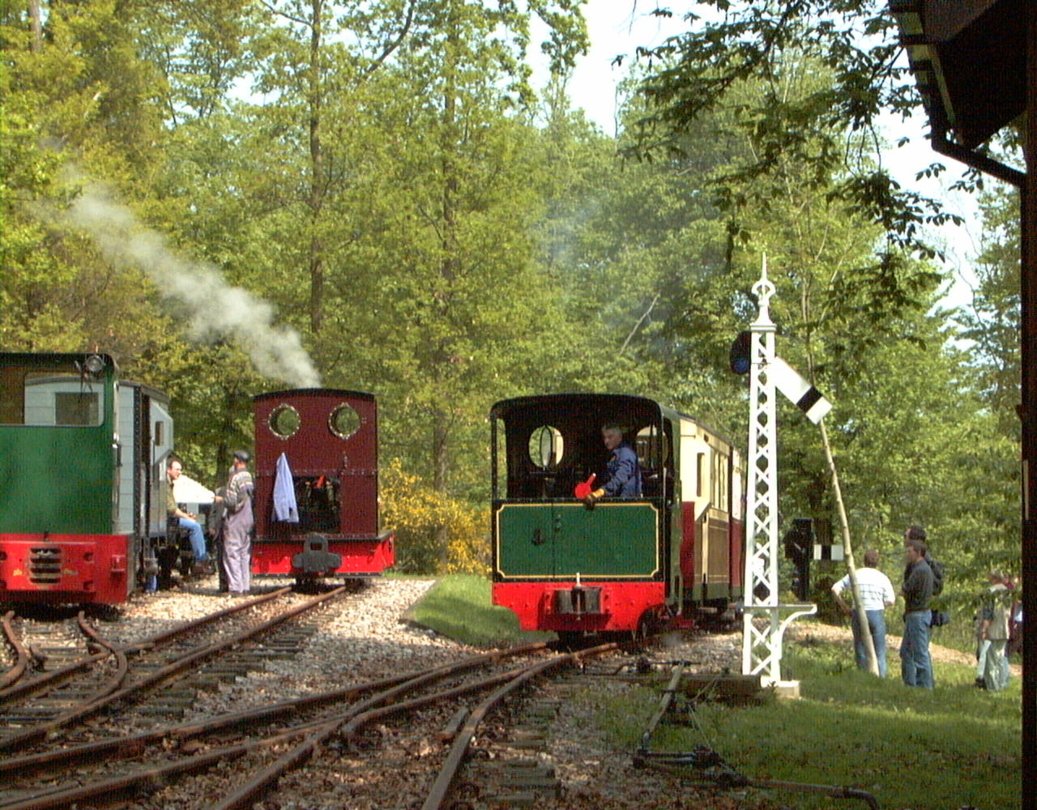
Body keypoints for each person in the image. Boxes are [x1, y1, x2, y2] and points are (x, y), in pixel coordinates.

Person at [831, 549, 895, 677]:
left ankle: (862, 677)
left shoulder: (855, 574)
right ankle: (881, 678)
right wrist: (879, 604)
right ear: (877, 562)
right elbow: (891, 600)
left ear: (864, 561)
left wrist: (844, 606)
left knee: (860, 650)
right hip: (876, 613)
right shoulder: (882, 577)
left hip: (858, 613)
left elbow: (835, 588)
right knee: (879, 651)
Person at [215, 450, 254, 596]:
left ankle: (235, 587)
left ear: (237, 461)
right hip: (248, 518)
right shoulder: (249, 477)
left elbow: (231, 502)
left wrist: (220, 500)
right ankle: (245, 586)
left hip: (236, 519)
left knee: (232, 552)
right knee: (245, 553)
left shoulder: (235, 478)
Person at [166, 458, 213, 577]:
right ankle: (201, 560)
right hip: (168, 520)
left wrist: (186, 516)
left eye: (181, 470)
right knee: (195, 527)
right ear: (168, 470)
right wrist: (186, 516)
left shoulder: (170, 484)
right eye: (177, 469)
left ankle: (201, 559)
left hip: (170, 518)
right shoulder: (165, 485)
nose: (179, 472)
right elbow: (171, 509)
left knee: (194, 524)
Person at [900, 529, 935, 688]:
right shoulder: (922, 568)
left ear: (918, 552)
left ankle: (924, 687)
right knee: (906, 651)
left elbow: (906, 589)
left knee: (920, 653)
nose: (907, 554)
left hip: (918, 615)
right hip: (916, 614)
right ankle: (910, 684)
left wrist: (902, 591)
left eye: (910, 551)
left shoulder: (920, 570)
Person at [585, 424, 642, 502]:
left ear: (619, 437)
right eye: (604, 437)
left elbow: (620, 478)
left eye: (610, 437)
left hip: (626, 502)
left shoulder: (626, 453)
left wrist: (601, 491)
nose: (606, 441)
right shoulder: (612, 454)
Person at [977, 570, 1013, 691]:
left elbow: (988, 614)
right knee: (1000, 658)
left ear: (993, 578)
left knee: (990, 660)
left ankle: (993, 687)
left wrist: (983, 629)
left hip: (993, 630)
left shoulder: (991, 592)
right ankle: (1002, 684)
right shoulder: (1008, 592)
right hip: (1004, 629)